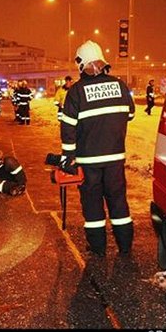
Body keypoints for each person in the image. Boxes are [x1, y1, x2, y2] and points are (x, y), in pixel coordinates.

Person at [59, 40, 136, 257]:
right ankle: (125, 246)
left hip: (88, 161)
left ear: (82, 64)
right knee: (118, 200)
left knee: (93, 205)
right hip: (115, 158)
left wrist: (68, 156)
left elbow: (68, 128)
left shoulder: (76, 92)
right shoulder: (119, 85)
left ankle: (98, 248)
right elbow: (130, 114)